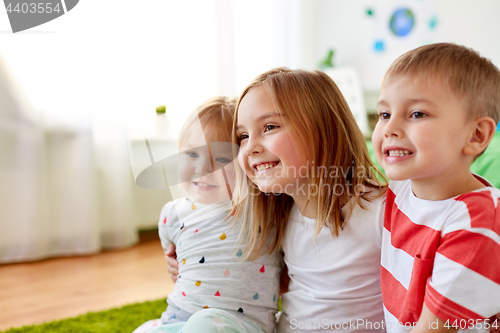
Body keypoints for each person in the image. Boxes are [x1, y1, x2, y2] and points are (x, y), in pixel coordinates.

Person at [232, 68, 387, 332]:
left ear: (324, 129)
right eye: (243, 136)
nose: (250, 147)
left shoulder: (380, 210)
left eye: (269, 127)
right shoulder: (280, 213)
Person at [371, 43, 500, 332]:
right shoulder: (400, 186)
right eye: (384, 114)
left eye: (417, 114)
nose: (390, 128)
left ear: (476, 135)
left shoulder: (476, 223)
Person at [133, 96, 283, 333]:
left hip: (239, 327)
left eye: (222, 159)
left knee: (203, 324)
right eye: (192, 154)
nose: (202, 169)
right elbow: (174, 257)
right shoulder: (171, 214)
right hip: (177, 319)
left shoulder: (263, 204)